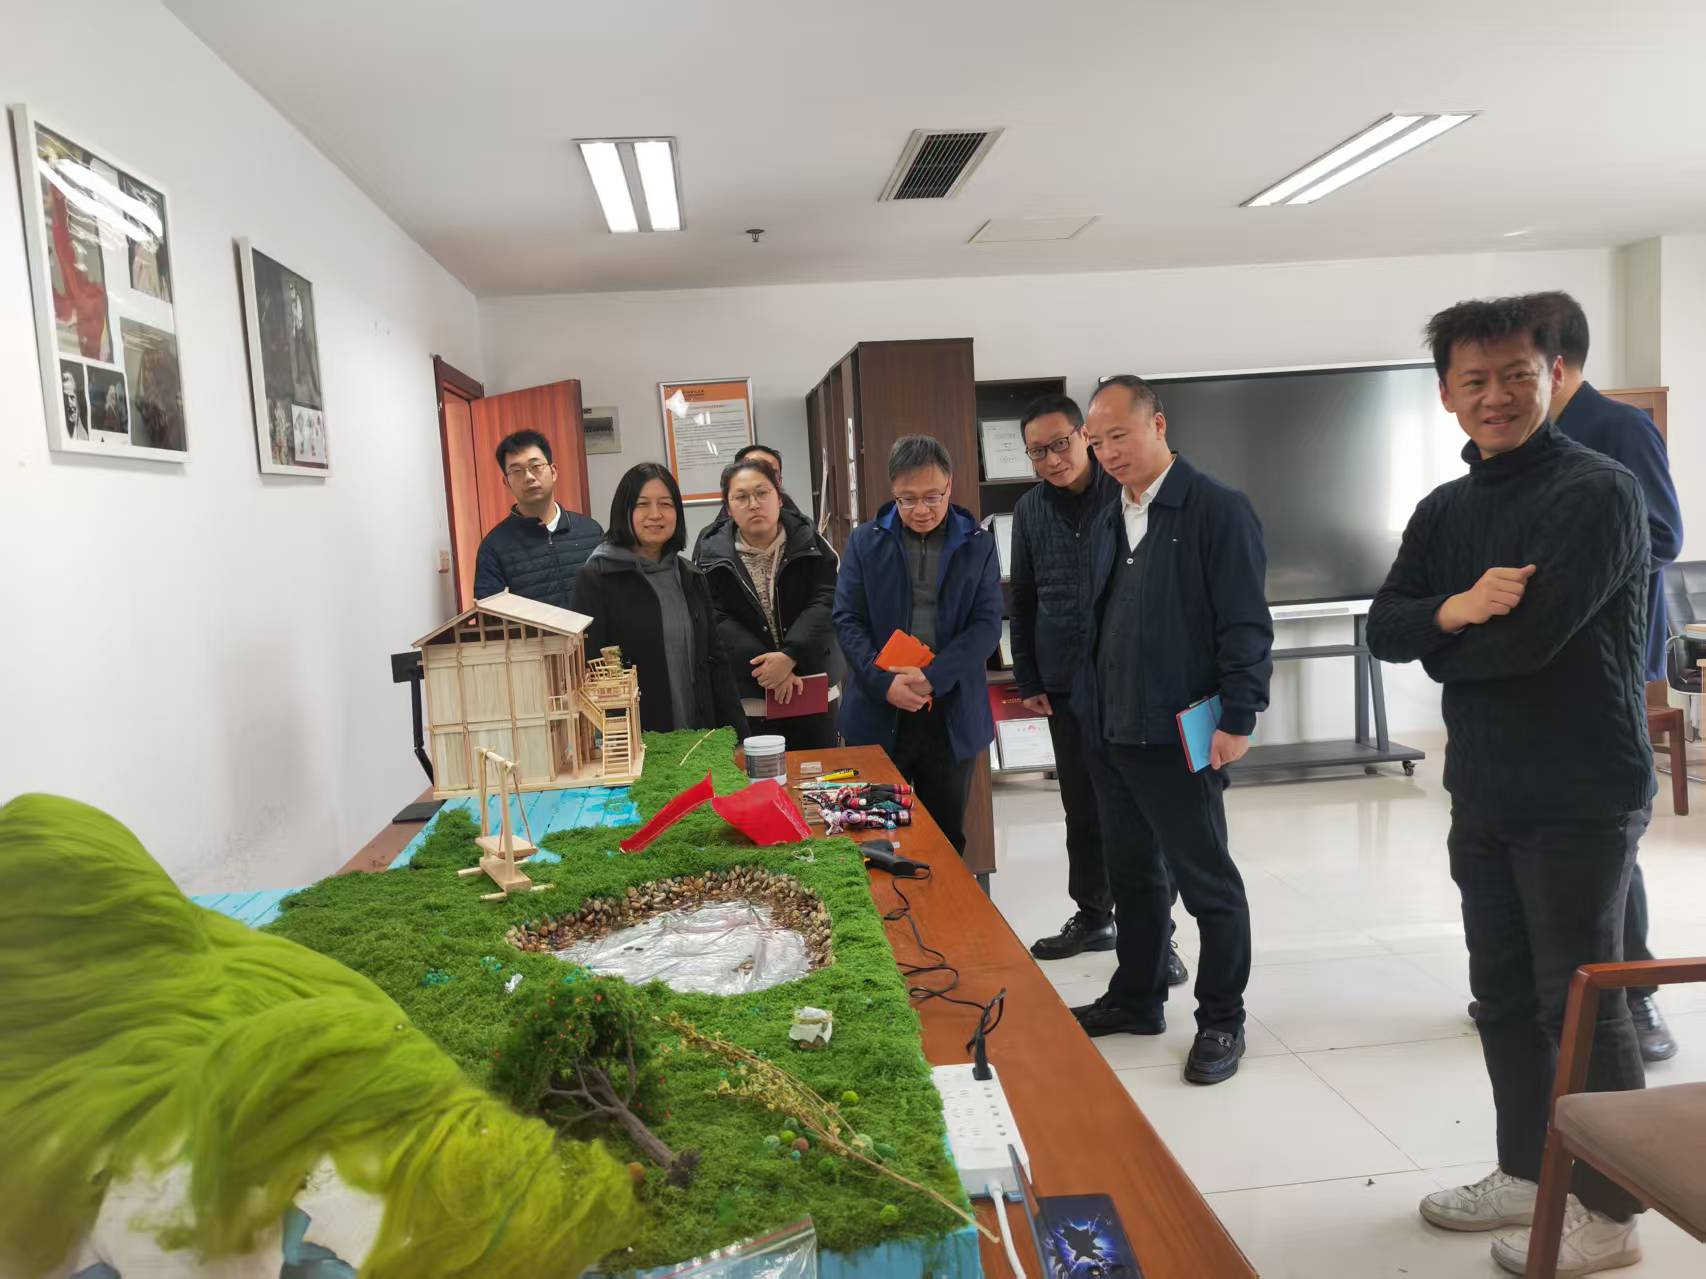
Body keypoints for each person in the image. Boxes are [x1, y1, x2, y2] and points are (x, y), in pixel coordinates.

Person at [1367, 296, 1650, 1277]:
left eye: (1515, 375)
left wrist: (1442, 639)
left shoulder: (1599, 492)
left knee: (1578, 1001)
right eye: (1474, 380)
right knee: (1499, 994)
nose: (1495, 396)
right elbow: (1386, 626)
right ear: (1446, 394)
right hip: (1484, 786)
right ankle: (1529, 1169)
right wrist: (1454, 607)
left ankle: (1611, 1208)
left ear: (1553, 375)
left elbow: (1529, 643)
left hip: (1581, 788)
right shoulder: (1445, 509)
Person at [1069, 376, 1272, 1087]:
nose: (1108, 452)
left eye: (1119, 435)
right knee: (1133, 877)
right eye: (1097, 442)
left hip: (1181, 734)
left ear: (1157, 424)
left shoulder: (1217, 509)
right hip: (1113, 733)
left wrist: (1240, 716)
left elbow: (1245, 623)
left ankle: (1222, 1018)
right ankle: (1138, 996)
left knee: (1206, 882)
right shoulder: (1110, 517)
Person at [1531, 289, 1684, 1064]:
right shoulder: (1526, 439)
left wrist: (1563, 581)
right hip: (1535, 666)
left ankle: (1637, 991)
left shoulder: (1618, 427)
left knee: (1607, 840)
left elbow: (1662, 533)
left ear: (1554, 364)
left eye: (1515, 365)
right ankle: (1549, 985)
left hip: (1606, 662)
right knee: (1539, 837)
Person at [1009, 393, 1188, 985]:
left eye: (1060, 444)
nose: (1052, 460)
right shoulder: (1029, 509)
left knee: (1144, 812)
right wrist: (1029, 677)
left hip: (1131, 682)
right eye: (1038, 452)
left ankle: (1158, 935)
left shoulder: (1127, 493)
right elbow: (1022, 597)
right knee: (1081, 808)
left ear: (1084, 436)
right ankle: (1093, 915)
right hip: (1065, 683)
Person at [833, 435, 1002, 856]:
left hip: (949, 714)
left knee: (944, 840)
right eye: (907, 499)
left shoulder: (977, 543)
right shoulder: (865, 541)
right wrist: (883, 683)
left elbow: (985, 626)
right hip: (878, 710)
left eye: (932, 497)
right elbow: (847, 619)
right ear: (892, 490)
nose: (921, 510)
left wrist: (933, 677)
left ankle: (942, 902)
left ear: (950, 485)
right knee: (874, 837)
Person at [572, 462, 747, 736]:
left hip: (700, 737)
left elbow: (716, 661)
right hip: (637, 740)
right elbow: (590, 673)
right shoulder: (597, 578)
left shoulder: (690, 576)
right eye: (642, 504)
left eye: (665, 504)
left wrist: (739, 735)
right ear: (624, 511)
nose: (655, 514)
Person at [696, 456, 840, 749]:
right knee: (755, 776)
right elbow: (715, 617)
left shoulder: (812, 543)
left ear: (779, 496)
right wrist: (770, 667)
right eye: (741, 497)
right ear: (728, 507)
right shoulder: (710, 555)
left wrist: (790, 656)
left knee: (819, 774)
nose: (753, 504)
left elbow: (827, 601)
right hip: (750, 698)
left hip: (812, 690)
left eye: (762, 493)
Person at [472, 430, 604, 609]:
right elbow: (491, 618)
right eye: (516, 471)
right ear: (507, 483)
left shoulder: (590, 530)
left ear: (553, 472)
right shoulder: (493, 547)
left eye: (536, 466)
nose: (528, 477)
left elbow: (611, 595)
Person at [691, 443, 803, 556]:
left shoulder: (805, 538)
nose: (754, 504)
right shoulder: (710, 544)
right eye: (741, 497)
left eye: (770, 472)